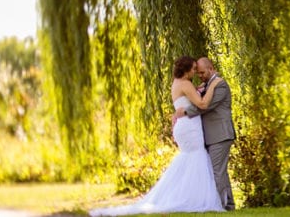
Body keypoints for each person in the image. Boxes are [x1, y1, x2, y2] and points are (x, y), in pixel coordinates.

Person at [91, 56, 223, 215]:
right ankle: (194, 198)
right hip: (190, 127)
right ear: (186, 70)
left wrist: (201, 88)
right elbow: (202, 104)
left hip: (184, 126)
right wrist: (213, 86)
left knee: (189, 159)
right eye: (193, 69)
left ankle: (186, 196)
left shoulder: (176, 83)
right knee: (196, 157)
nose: (195, 72)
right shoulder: (186, 84)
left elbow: (190, 98)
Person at [174, 56, 236, 211]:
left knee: (217, 171)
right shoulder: (207, 85)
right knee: (219, 171)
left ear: (211, 68)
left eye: (202, 72)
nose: (199, 76)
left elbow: (205, 106)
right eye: (197, 72)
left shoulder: (219, 84)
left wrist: (185, 112)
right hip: (211, 135)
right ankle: (228, 205)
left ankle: (223, 206)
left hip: (220, 135)